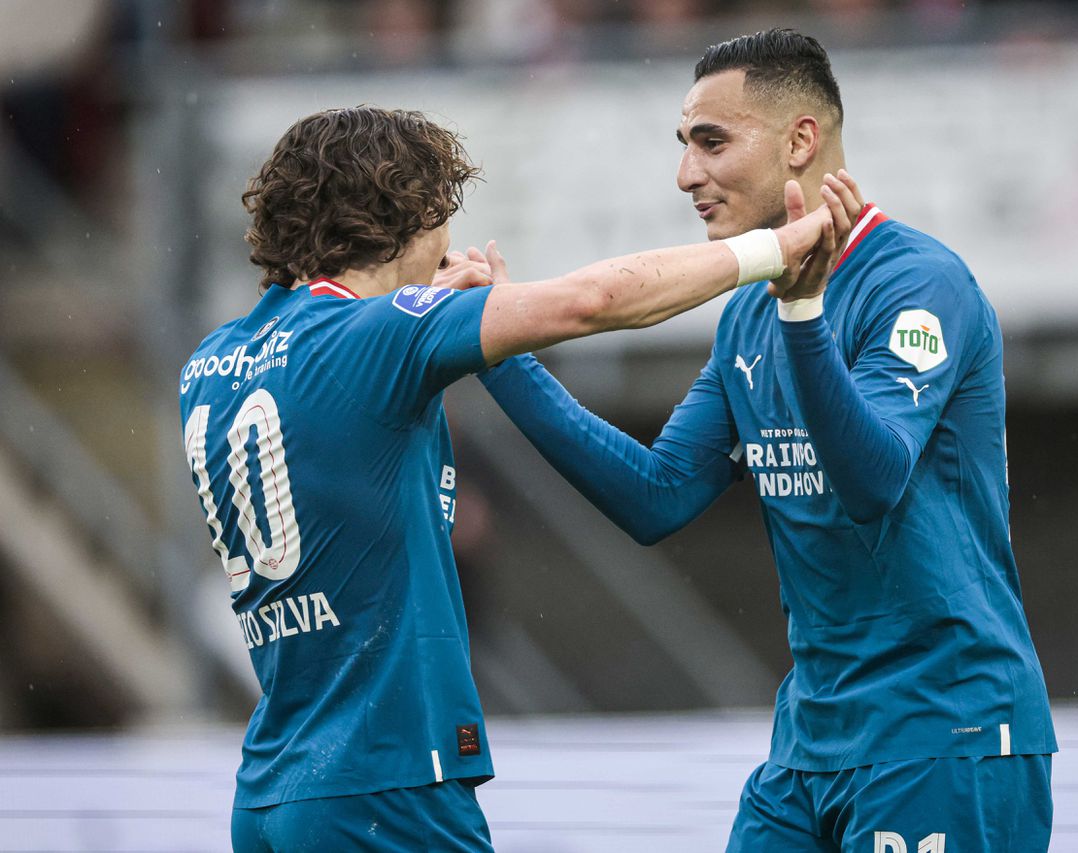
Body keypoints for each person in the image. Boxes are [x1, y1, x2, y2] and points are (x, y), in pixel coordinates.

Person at [177, 105, 857, 852]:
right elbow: (595, 300)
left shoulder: (211, 364)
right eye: (441, 215)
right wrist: (777, 249)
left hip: (274, 787)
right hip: (387, 784)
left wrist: (448, 319)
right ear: (408, 214)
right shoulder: (379, 335)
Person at [473, 30, 1058, 851]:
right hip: (812, 742)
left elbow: (874, 481)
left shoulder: (919, 284)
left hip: (945, 730)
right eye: (683, 146)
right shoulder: (751, 309)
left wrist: (804, 317)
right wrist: (503, 360)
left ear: (800, 141)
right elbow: (657, 494)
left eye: (712, 142)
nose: (686, 174)